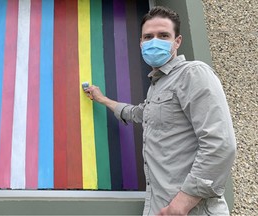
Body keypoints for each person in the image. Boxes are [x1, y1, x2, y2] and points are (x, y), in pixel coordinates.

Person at [84, 6, 236, 216]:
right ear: (141, 43)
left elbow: (220, 145)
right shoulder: (158, 86)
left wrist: (182, 204)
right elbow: (136, 113)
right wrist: (102, 99)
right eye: (148, 37)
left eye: (163, 35)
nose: (154, 42)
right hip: (159, 208)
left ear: (177, 41)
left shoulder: (193, 74)